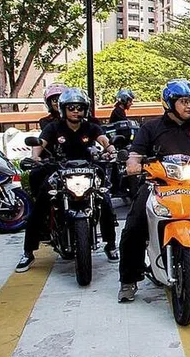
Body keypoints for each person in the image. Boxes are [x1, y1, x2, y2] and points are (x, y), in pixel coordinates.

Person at [117, 79, 190, 302]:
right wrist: (132, 163)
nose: (189, 106)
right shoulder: (151, 127)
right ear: (170, 102)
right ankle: (129, 280)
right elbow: (135, 153)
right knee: (134, 224)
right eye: (184, 102)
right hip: (157, 183)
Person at [17, 88, 119, 272]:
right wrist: (35, 158)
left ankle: (110, 245)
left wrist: (111, 151)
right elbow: (40, 145)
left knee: (105, 202)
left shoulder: (91, 127)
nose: (75, 111)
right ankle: (28, 252)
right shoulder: (54, 127)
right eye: (71, 107)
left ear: (85, 109)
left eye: (79, 108)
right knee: (40, 205)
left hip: (88, 170)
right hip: (59, 171)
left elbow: (104, 141)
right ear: (63, 109)